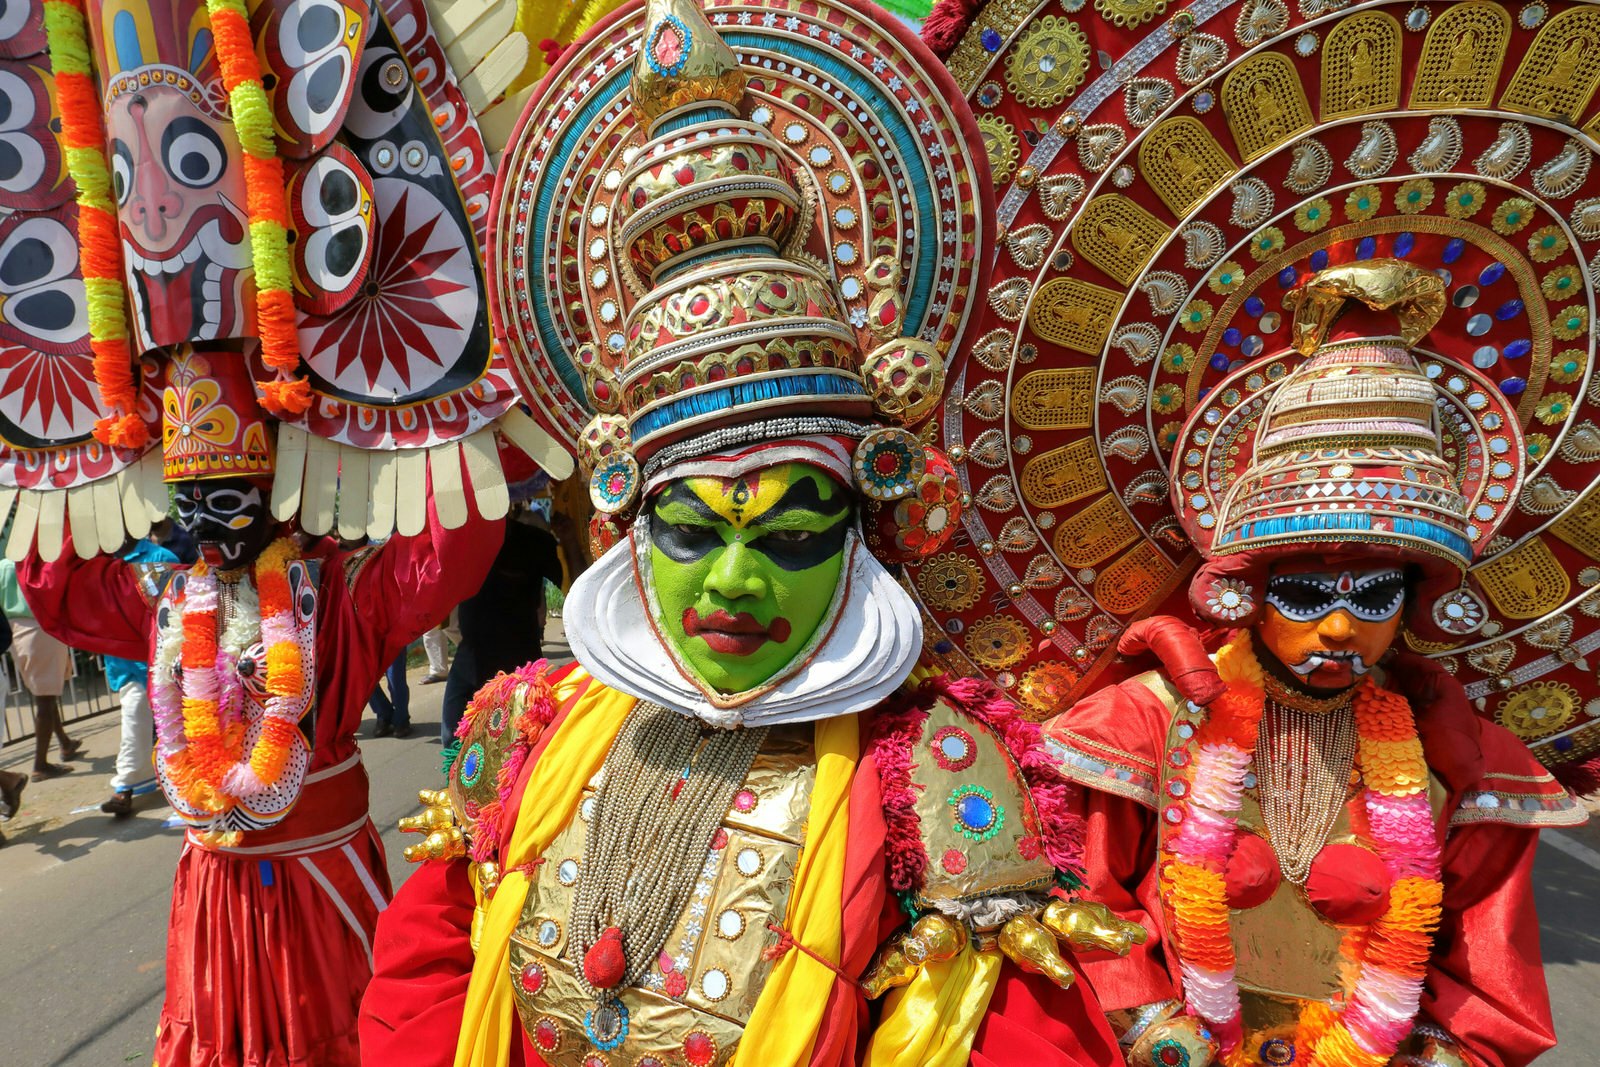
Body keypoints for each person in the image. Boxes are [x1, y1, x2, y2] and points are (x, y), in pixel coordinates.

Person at [359, 4, 1178, 1062]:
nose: (732, 581)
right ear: (631, 524)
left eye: (790, 533)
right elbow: (426, 975)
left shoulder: (936, 774)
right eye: (693, 530)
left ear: (865, 525)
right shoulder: (524, 728)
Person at [1042, 266, 1586, 1067]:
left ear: (1411, 606)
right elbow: (1084, 894)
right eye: (1304, 593)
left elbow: (1485, 971)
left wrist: (1429, 1054)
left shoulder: (1463, 761)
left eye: (1373, 597)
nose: (1338, 628)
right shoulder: (1151, 720)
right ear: (1251, 594)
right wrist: (1149, 1024)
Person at [21, 351, 504, 1067]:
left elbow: (446, 554)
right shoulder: (169, 598)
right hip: (215, 898)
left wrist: (428, 409)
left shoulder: (335, 593)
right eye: (189, 505)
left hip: (318, 888)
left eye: (227, 500)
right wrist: (62, 456)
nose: (208, 530)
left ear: (278, 491)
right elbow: (59, 591)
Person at [438, 506, 564, 746]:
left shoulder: (534, 541)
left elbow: (571, 585)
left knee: (524, 748)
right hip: (472, 661)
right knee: (453, 744)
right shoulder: (458, 542)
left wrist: (568, 541)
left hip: (520, 667)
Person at [100, 532, 180, 817]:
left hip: (164, 655)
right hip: (126, 661)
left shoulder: (161, 559)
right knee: (134, 718)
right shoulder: (104, 564)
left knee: (181, 721)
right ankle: (124, 788)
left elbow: (176, 607)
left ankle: (193, 782)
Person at [0, 558, 81, 780]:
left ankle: (65, 743)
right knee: (45, 698)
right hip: (40, 627)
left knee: (44, 693)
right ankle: (40, 765)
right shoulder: (41, 565)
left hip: (15, 630)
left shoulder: (4, 566)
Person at [370, 647, 414, 739]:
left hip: (392, 636)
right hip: (364, 639)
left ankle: (401, 719)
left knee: (395, 678)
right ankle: (384, 714)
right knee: (367, 680)